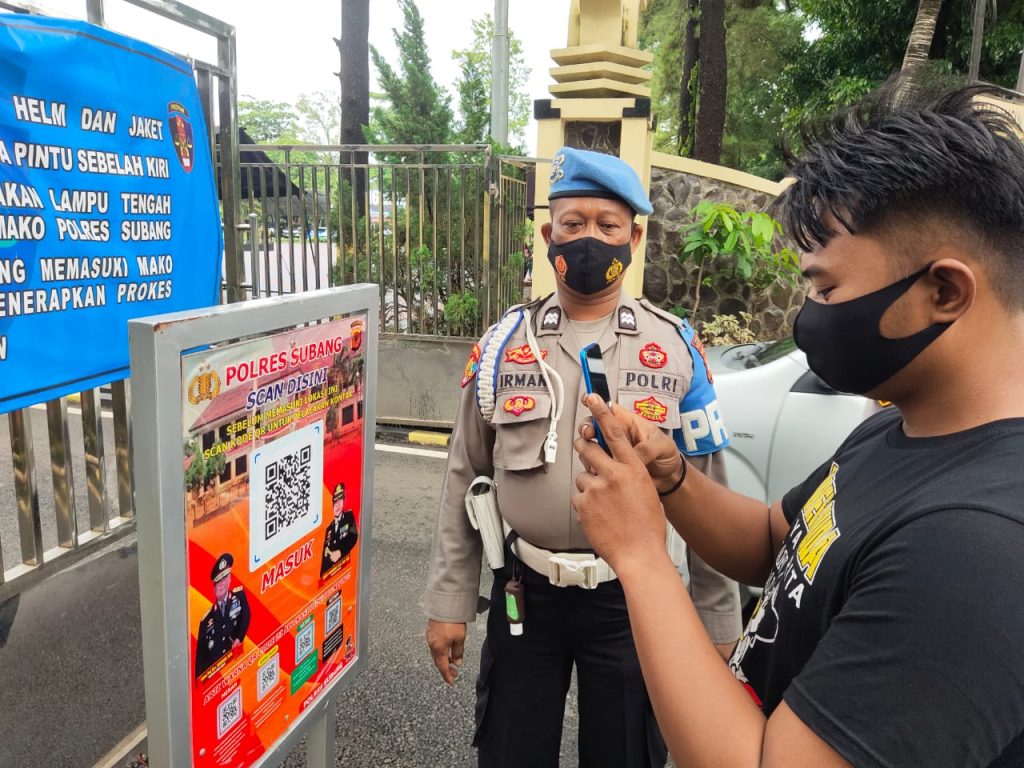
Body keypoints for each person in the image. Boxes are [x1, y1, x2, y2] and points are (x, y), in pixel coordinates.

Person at [570, 80, 1024, 767]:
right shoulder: (896, 428)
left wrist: (638, 555)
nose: (808, 313)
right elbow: (768, 543)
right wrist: (669, 480)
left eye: (826, 288)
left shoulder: (976, 548)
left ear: (945, 291)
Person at [424, 146, 742, 767]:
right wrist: (449, 604)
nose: (590, 237)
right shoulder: (502, 346)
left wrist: (717, 618)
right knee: (512, 751)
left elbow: (707, 490)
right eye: (573, 224)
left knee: (626, 754)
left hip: (634, 599)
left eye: (607, 225)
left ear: (635, 237)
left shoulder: (675, 349)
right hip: (526, 592)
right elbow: (465, 476)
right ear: (549, 235)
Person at [195, 553, 251, 678]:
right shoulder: (206, 620)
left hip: (237, 664)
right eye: (218, 581)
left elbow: (246, 617)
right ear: (214, 587)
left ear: (230, 578)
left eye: (224, 578)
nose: (221, 584)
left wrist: (239, 638)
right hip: (216, 675)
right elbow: (200, 658)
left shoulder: (239, 596)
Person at [321, 482, 358, 577]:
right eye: (335, 501)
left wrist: (339, 552)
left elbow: (353, 537)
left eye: (340, 500)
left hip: (344, 566)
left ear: (344, 500)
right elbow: (324, 559)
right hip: (330, 574)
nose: (337, 505)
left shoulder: (348, 517)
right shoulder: (329, 528)